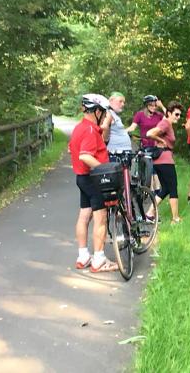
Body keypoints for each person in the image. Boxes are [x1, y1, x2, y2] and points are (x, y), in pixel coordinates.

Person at [69, 94, 118, 273]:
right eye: (103, 112)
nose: (104, 115)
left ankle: (83, 256)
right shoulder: (90, 130)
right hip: (93, 179)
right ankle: (99, 259)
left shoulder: (80, 128)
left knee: (84, 216)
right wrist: (105, 170)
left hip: (82, 178)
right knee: (100, 218)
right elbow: (85, 155)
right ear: (97, 111)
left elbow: (72, 149)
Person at [146, 102, 184, 224]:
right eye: (176, 114)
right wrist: (160, 139)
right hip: (165, 161)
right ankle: (175, 219)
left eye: (179, 115)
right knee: (173, 188)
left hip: (161, 161)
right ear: (169, 113)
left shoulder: (167, 123)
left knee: (166, 189)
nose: (178, 117)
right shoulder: (166, 123)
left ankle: (149, 213)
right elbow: (149, 133)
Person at [126, 95, 165, 189]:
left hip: (157, 144)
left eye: (155, 105)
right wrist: (122, 133)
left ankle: (157, 190)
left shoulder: (159, 115)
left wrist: (162, 106)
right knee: (148, 164)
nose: (154, 107)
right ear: (146, 105)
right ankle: (151, 189)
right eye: (151, 105)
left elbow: (168, 119)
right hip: (146, 144)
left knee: (157, 166)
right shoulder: (140, 115)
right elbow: (132, 127)